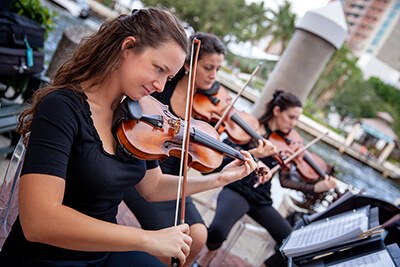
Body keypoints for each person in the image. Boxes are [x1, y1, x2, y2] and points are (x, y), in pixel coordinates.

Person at [0, 8, 265, 266]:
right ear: (127, 48)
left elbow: (153, 187)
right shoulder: (62, 108)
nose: (161, 86)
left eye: (169, 76)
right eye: (159, 69)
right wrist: (146, 239)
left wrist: (217, 179)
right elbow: (40, 222)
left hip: (103, 253)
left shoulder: (135, 116)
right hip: (48, 257)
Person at [122, 32, 275, 266]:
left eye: (218, 70)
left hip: (177, 179)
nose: (214, 77)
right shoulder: (160, 90)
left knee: (199, 238)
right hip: (144, 172)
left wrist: (247, 156)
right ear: (188, 64)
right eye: (208, 68)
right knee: (171, 249)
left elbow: (205, 165)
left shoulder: (209, 109)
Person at [196, 89, 337, 267]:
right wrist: (251, 154)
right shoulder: (247, 129)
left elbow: (285, 181)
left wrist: (314, 188)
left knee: (293, 244)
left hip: (261, 199)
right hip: (237, 189)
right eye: (291, 117)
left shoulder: (287, 146)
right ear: (277, 111)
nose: (293, 124)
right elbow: (217, 163)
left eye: (296, 119)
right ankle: (207, 256)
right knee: (217, 231)